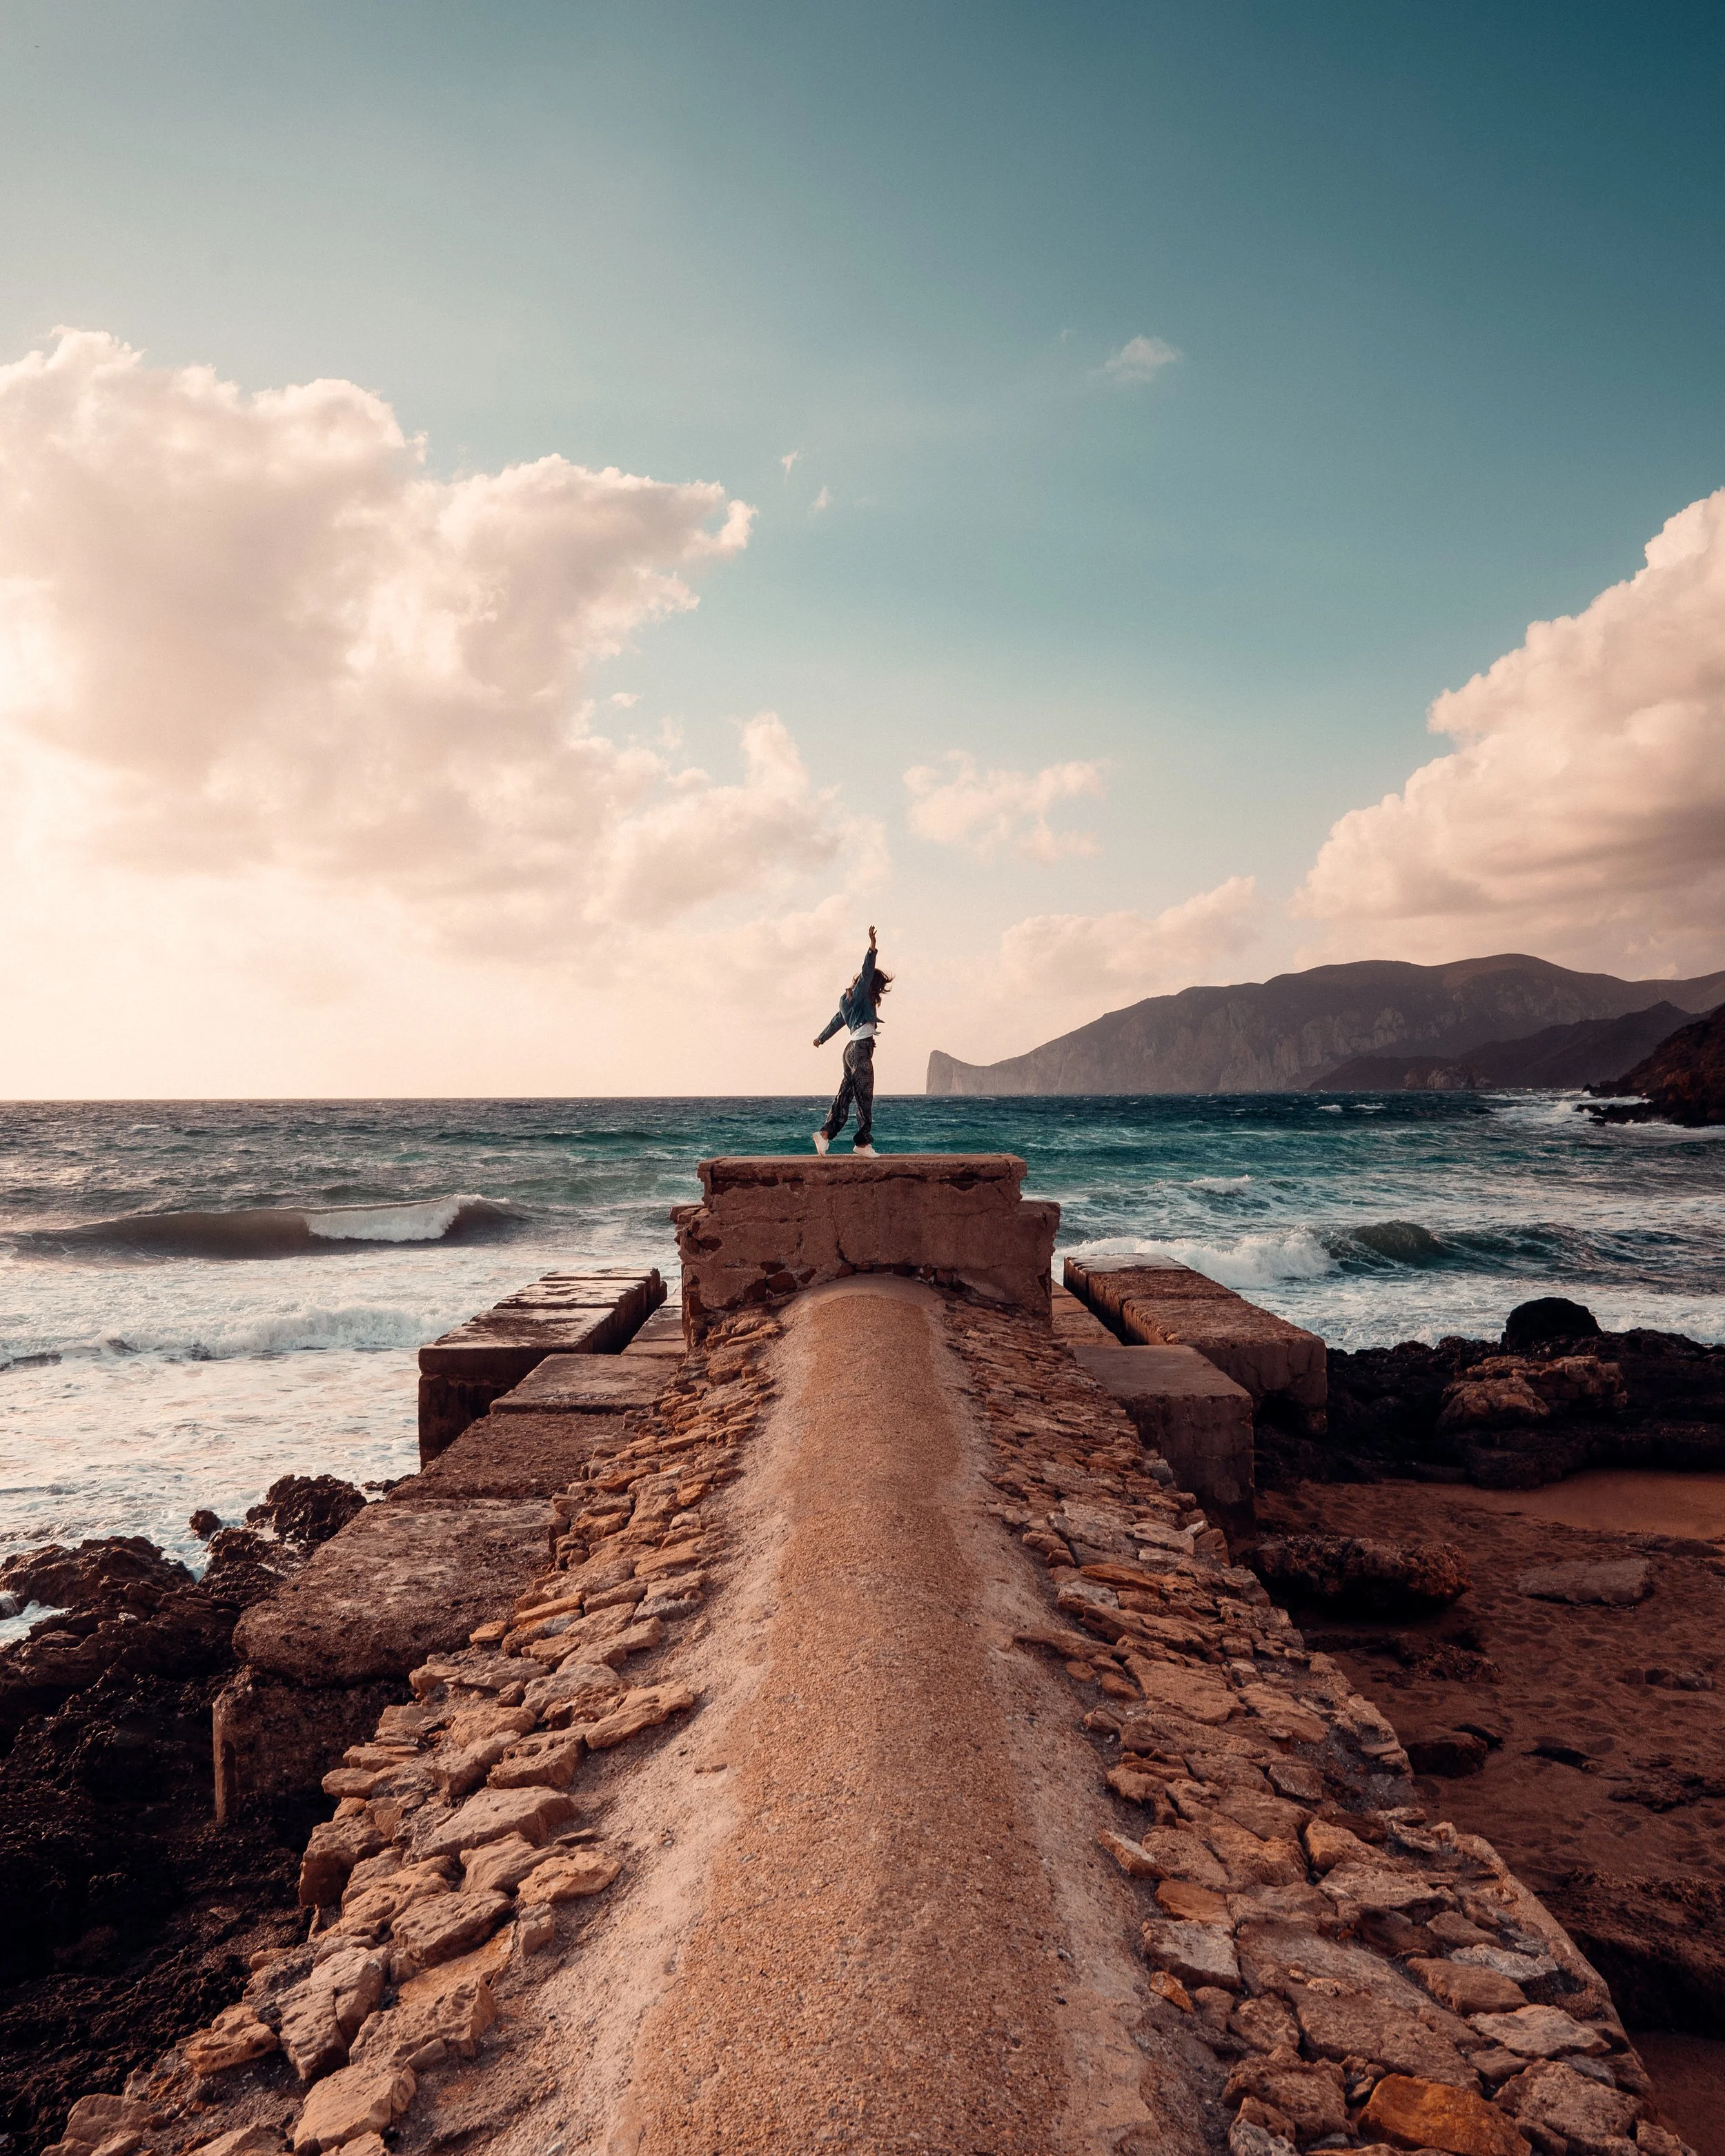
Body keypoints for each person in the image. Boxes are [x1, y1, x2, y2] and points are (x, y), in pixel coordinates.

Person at [812, 926, 891, 1155]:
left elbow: (837, 1021)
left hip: (851, 1051)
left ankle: (825, 1135)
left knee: (845, 1095)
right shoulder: (859, 994)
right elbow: (867, 974)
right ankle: (862, 1144)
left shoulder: (847, 1001)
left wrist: (821, 1038)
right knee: (865, 1096)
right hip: (860, 1049)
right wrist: (872, 948)